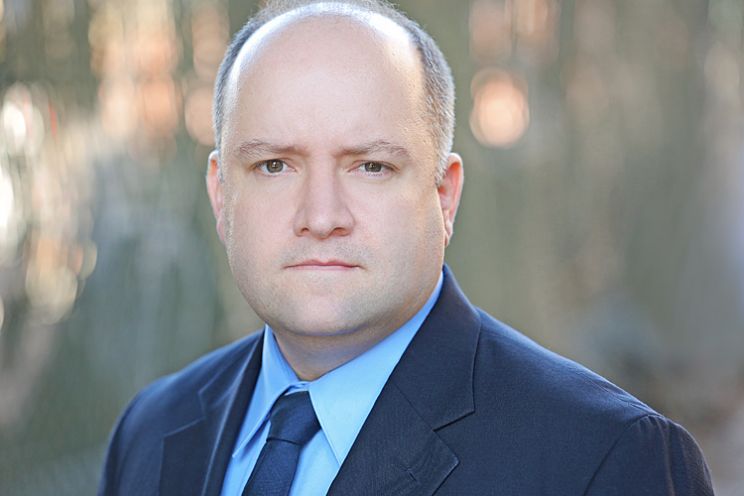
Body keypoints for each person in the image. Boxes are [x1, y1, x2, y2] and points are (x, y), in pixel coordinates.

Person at [98, 1, 714, 494]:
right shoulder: (151, 432)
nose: (321, 217)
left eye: (370, 166)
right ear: (220, 195)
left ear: (444, 196)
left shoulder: (603, 459)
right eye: (273, 166)